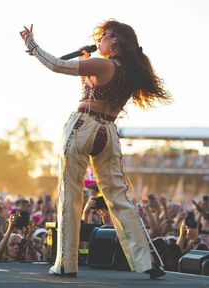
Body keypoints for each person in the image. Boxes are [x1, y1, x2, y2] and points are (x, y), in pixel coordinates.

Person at [20, 19, 172, 279]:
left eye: (104, 36)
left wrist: (32, 45)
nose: (99, 39)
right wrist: (87, 62)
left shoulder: (103, 64)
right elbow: (98, 90)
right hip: (109, 133)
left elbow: (57, 65)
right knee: (120, 199)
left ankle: (66, 264)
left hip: (82, 127)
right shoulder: (129, 72)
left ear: (115, 41)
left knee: (70, 193)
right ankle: (148, 260)